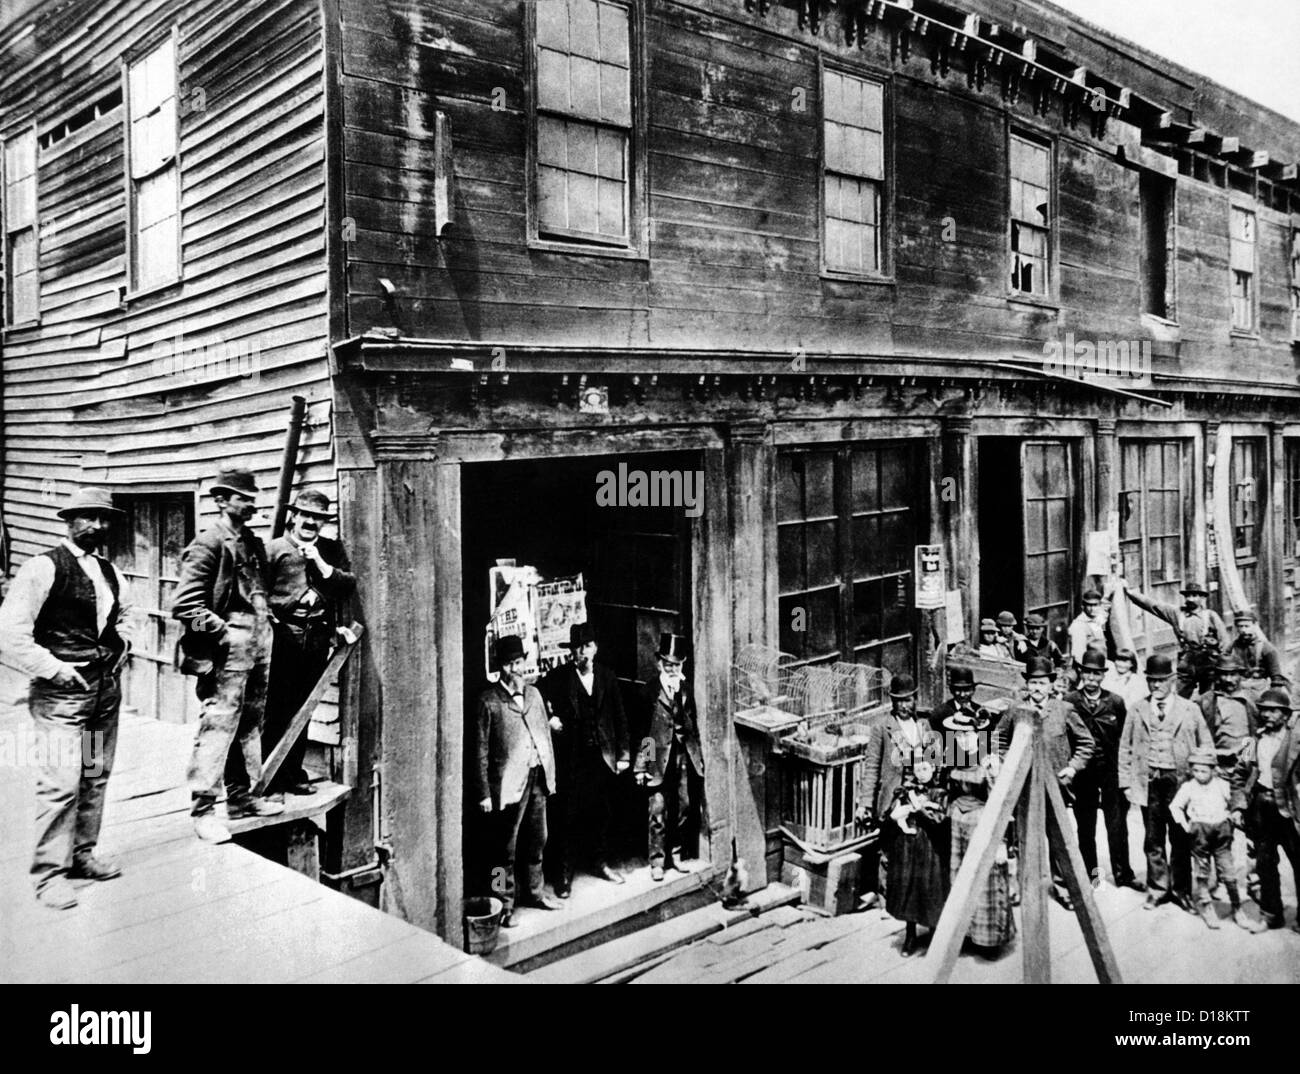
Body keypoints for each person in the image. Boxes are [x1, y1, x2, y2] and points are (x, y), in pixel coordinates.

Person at [0, 489, 136, 909]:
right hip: (61, 697)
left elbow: (126, 616)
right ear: (70, 520)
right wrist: (55, 668)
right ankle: (49, 876)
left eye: (104, 519)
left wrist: (121, 648)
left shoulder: (110, 571)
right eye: (89, 518)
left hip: (101, 693)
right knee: (60, 783)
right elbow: (9, 633)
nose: (98, 526)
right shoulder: (43, 567)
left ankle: (81, 857)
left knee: (93, 774)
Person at [172, 469, 284, 842]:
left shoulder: (252, 543)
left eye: (253, 498)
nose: (250, 504)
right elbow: (185, 606)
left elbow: (262, 591)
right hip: (229, 644)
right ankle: (203, 810)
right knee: (219, 723)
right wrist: (222, 633)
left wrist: (263, 629)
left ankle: (243, 797)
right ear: (221, 500)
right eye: (242, 497)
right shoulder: (208, 544)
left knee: (251, 721)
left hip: (259, 639)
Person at [262, 490, 355, 799]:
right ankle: (270, 775)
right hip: (283, 639)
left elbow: (347, 584)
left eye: (318, 518)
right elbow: (257, 591)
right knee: (277, 708)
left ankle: (293, 773)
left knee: (305, 707)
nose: (311, 523)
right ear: (294, 517)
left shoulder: (328, 549)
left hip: (316, 640)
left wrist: (321, 564)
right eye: (306, 516)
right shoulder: (275, 549)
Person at [475, 634, 563, 927]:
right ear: (501, 667)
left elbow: (545, 735)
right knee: (504, 850)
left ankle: (535, 893)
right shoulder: (488, 701)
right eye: (512, 664)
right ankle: (503, 904)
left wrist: (550, 773)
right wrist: (484, 793)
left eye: (521, 662)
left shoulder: (535, 695)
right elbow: (481, 752)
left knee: (538, 838)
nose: (519, 669)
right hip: (507, 787)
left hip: (537, 778)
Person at [858, 673, 948, 956]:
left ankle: (933, 927)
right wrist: (865, 803)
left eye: (909, 699)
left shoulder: (925, 726)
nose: (905, 705)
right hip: (898, 804)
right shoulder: (882, 729)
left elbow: (938, 762)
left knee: (929, 871)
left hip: (925, 806)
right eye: (899, 701)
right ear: (892, 702)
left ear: (915, 699)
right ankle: (907, 929)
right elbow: (872, 768)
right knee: (902, 869)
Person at [1117, 652, 1213, 913]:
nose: (1155, 686)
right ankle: (1158, 888)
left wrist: (1201, 779)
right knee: (1153, 838)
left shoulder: (1189, 709)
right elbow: (1125, 747)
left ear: (1171, 680)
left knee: (1181, 837)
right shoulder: (1137, 708)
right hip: (1149, 782)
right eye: (1151, 681)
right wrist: (1126, 782)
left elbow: (1206, 744)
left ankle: (1181, 890)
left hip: (1179, 782)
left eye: (1160, 681)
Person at [539, 621, 630, 896]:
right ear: (572, 652)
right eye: (578, 648)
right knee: (567, 815)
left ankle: (598, 862)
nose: (583, 653)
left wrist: (624, 755)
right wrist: (550, 719)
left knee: (601, 812)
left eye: (587, 647)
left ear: (595, 648)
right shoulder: (558, 678)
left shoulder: (607, 677)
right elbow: (535, 697)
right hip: (572, 759)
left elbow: (620, 718)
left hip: (602, 757)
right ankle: (563, 873)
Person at [997, 655, 1095, 910]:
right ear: (1027, 685)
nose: (1037, 688)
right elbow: (998, 740)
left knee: (1060, 840)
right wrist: (1006, 765)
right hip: (1024, 788)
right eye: (1033, 683)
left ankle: (1064, 890)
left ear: (1052, 685)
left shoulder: (1064, 711)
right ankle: (1021, 888)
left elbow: (1086, 743)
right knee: (1022, 840)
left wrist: (1072, 768)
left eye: (1042, 683)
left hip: (1056, 788)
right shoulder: (1016, 711)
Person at [1064, 647, 1141, 890]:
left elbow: (1125, 739)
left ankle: (1123, 875)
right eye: (1087, 673)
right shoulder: (1069, 702)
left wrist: (1125, 774)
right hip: (1083, 774)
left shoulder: (1115, 702)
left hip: (1111, 772)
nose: (1092, 679)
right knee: (1085, 828)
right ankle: (1092, 875)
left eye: (1097, 674)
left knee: (1117, 826)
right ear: (1081, 673)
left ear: (1103, 676)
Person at [633, 633, 704, 882]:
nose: (672, 668)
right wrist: (642, 766)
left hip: (682, 756)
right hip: (658, 759)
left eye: (676, 664)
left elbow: (691, 724)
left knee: (683, 806)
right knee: (658, 810)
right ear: (658, 663)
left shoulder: (685, 688)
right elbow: (645, 735)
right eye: (667, 663)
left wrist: (697, 757)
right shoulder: (649, 692)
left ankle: (675, 854)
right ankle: (657, 861)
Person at [944, 706, 1014, 951]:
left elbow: (1002, 801)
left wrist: (1002, 842)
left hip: (981, 823)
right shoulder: (953, 754)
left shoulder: (989, 760)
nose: (963, 738)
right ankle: (964, 935)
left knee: (985, 878)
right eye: (959, 734)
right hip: (957, 824)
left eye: (968, 733)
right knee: (958, 879)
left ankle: (988, 939)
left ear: (977, 733)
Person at [1232, 688, 1300, 931]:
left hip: (1290, 809)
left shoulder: (1296, 741)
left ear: (1285, 714)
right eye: (1264, 710)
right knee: (1265, 864)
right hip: (1261, 809)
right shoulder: (1255, 740)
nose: (1267, 715)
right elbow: (1239, 774)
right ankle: (1271, 914)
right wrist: (1239, 806)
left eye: (1273, 711)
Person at [1171, 748, 1260, 932]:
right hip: (1199, 835)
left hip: (1221, 835)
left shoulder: (1221, 785)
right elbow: (1175, 806)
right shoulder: (1189, 787)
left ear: (1213, 770)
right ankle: (1207, 906)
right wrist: (1186, 825)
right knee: (1202, 873)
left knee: (1228, 873)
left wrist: (1231, 816)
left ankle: (1237, 907)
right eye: (1195, 771)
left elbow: (1233, 801)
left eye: (1204, 771)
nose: (1199, 775)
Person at [1117, 579, 1227, 698]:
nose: (1190, 599)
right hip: (1187, 662)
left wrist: (1223, 665)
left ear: (1202, 598)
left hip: (1208, 662)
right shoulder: (1177, 613)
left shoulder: (1210, 616)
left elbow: (1224, 641)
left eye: (1194, 595)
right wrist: (1130, 592)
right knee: (1178, 698)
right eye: (1188, 596)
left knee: (1208, 698)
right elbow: (1153, 605)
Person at [1198, 653, 1256, 780]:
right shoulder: (1206, 701)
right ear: (1217, 676)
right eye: (1224, 674)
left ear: (1240, 675)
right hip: (1216, 766)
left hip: (1245, 764)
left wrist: (1246, 761)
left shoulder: (1251, 700)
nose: (1229, 679)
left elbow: (1256, 735)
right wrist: (1211, 764)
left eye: (1233, 674)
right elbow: (1199, 736)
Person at [1226, 608, 1289, 701]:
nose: (1243, 630)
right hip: (1237, 689)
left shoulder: (1267, 648)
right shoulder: (1232, 647)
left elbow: (1276, 679)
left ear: (1255, 625)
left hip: (1259, 691)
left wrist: (1271, 699)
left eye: (1247, 626)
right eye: (1240, 626)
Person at [1067, 589, 1108, 671]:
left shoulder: (1099, 616)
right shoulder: (1078, 625)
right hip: (1089, 668)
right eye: (1089, 605)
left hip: (1102, 664)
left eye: (1095, 605)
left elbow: (1106, 609)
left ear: (1100, 605)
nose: (1092, 609)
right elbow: (1079, 655)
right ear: (1083, 606)